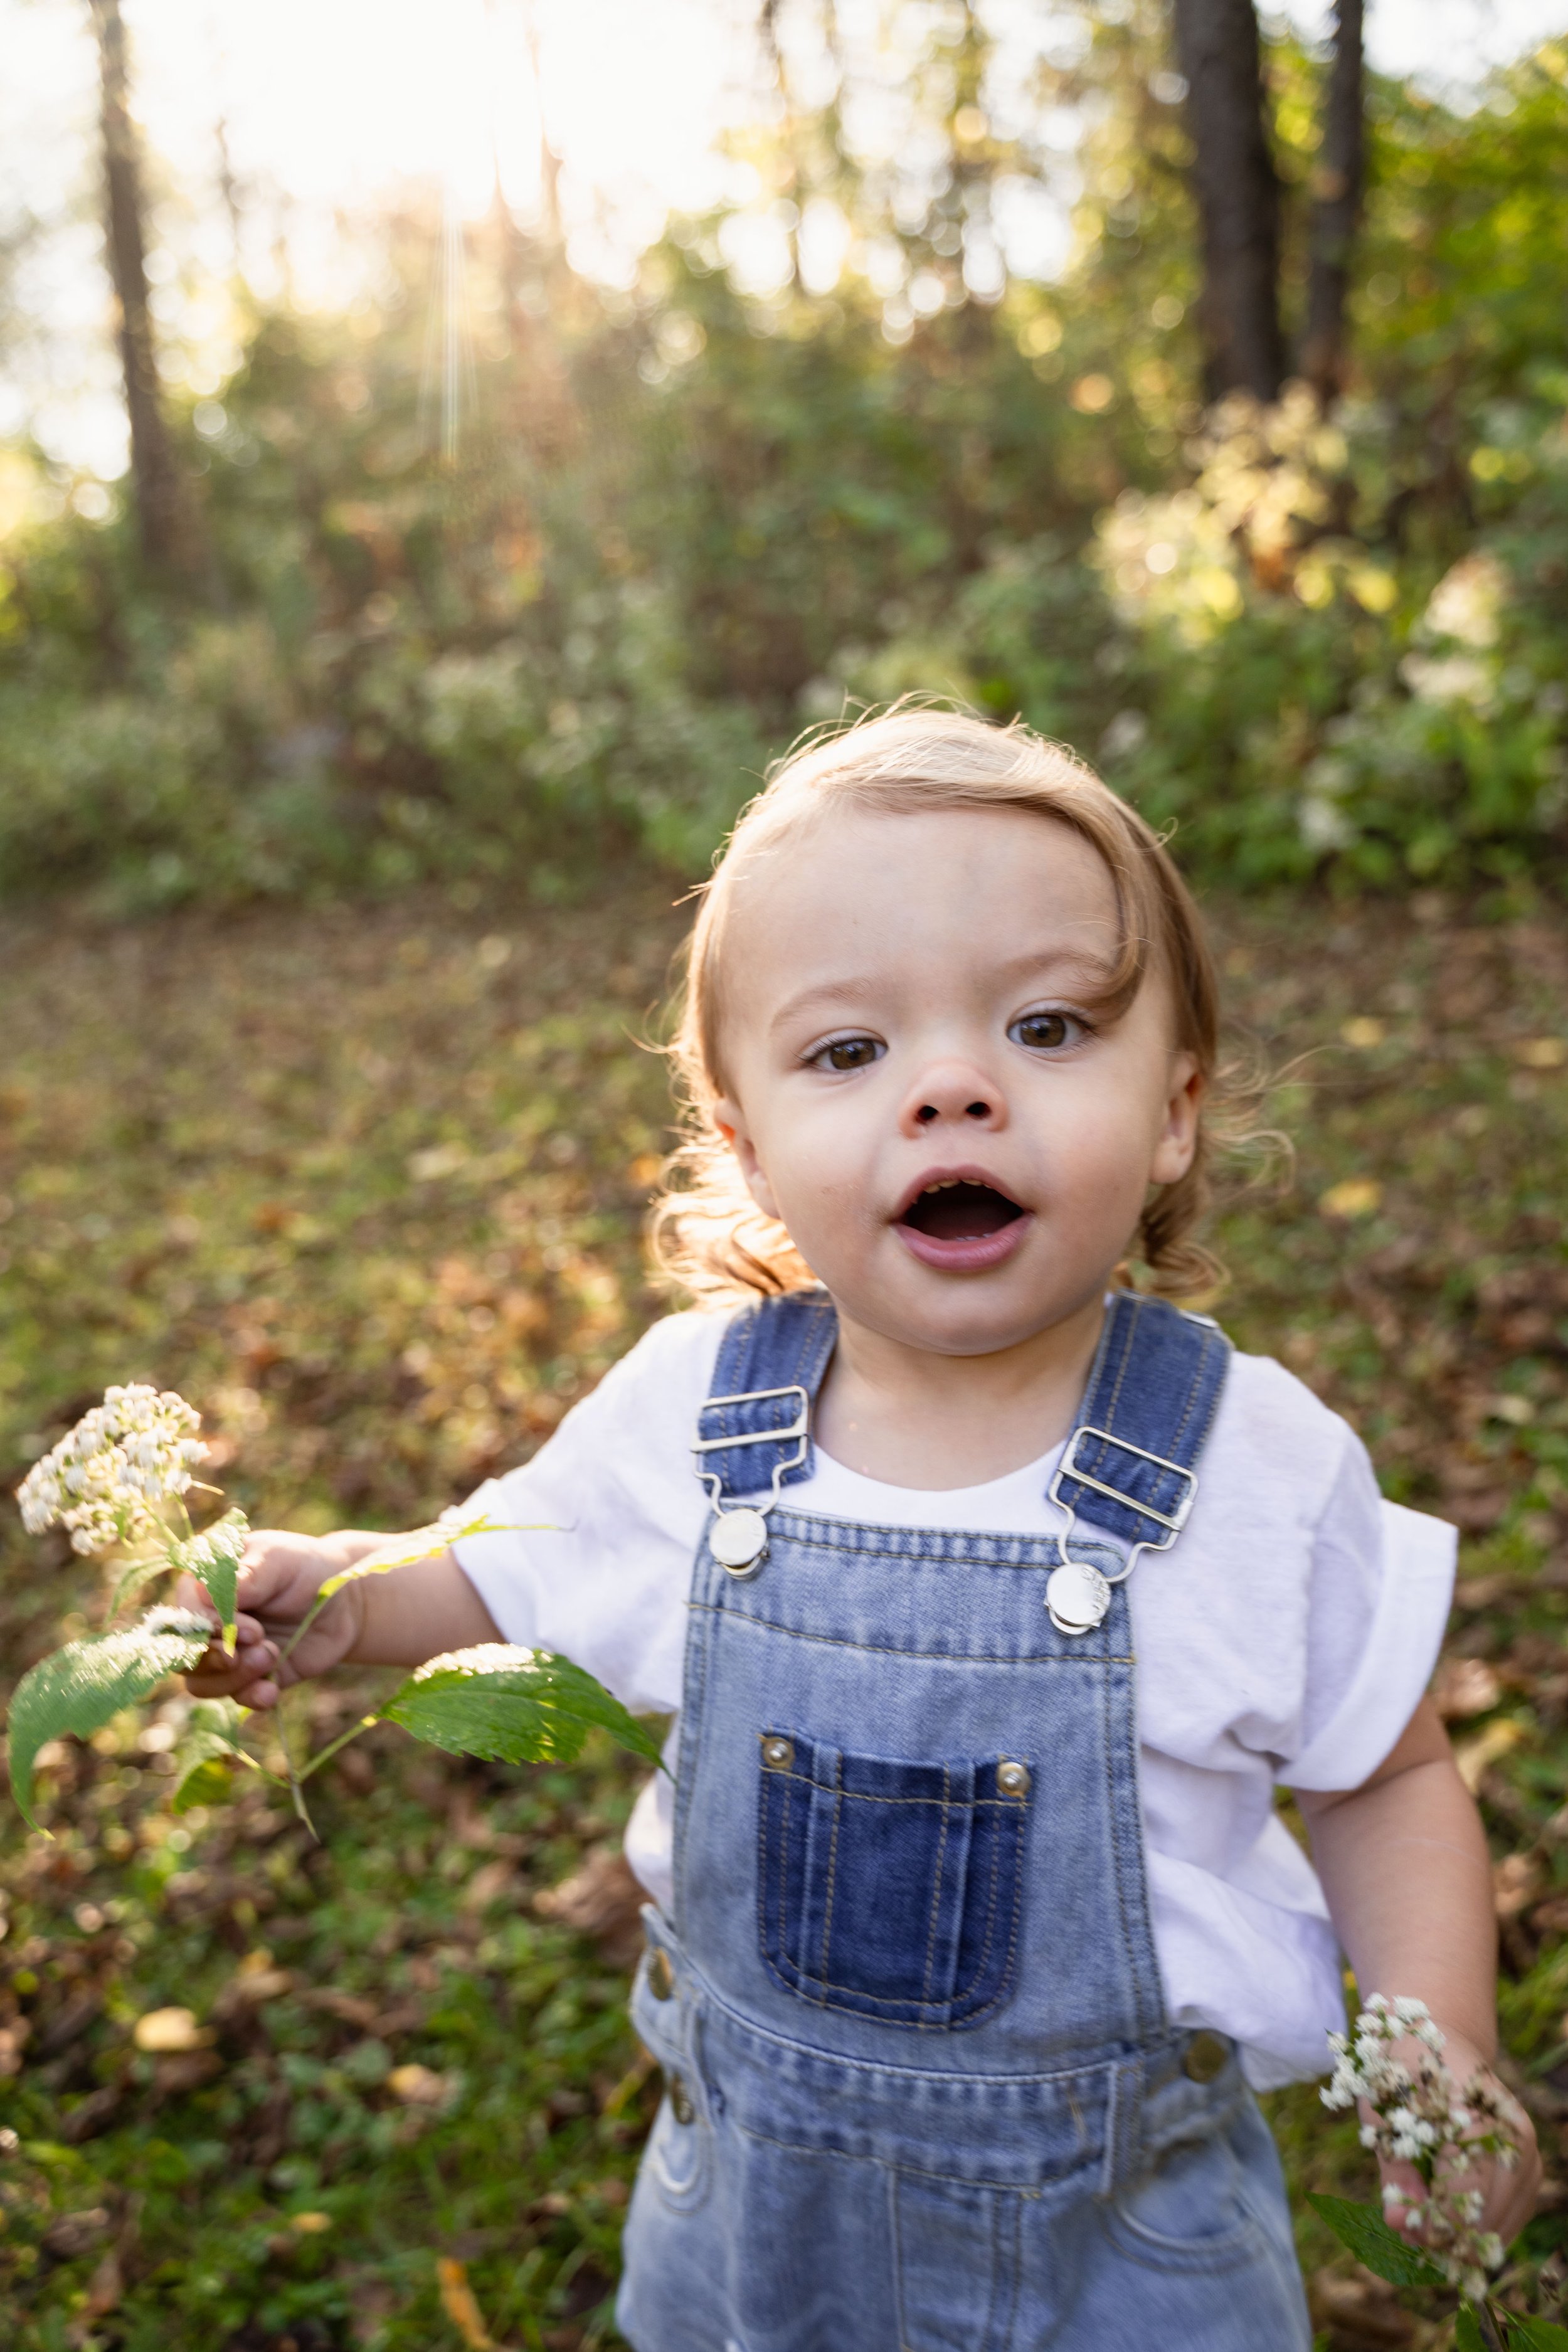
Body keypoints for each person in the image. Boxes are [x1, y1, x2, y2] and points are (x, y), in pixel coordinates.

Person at [187, 707, 1539, 2349]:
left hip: (1121, 2263)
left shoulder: (1251, 1464)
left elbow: (1380, 1772)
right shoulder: (692, 1418)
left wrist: (1441, 2041)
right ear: (748, 1154)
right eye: (849, 1052)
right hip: (759, 2229)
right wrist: (333, 1595)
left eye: (1046, 1026)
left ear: (1175, 1109)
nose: (953, 1090)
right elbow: (491, 1574)